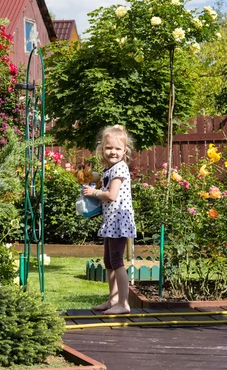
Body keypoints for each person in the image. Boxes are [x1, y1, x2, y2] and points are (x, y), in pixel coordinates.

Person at [82, 125, 136, 315]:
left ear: (125, 151)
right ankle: (113, 298)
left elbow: (111, 195)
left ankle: (124, 302)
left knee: (116, 261)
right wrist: (92, 177)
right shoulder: (110, 168)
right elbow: (105, 179)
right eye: (109, 148)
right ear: (102, 149)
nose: (113, 152)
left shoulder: (120, 168)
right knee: (108, 261)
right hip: (112, 220)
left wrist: (93, 192)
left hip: (119, 220)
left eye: (117, 149)